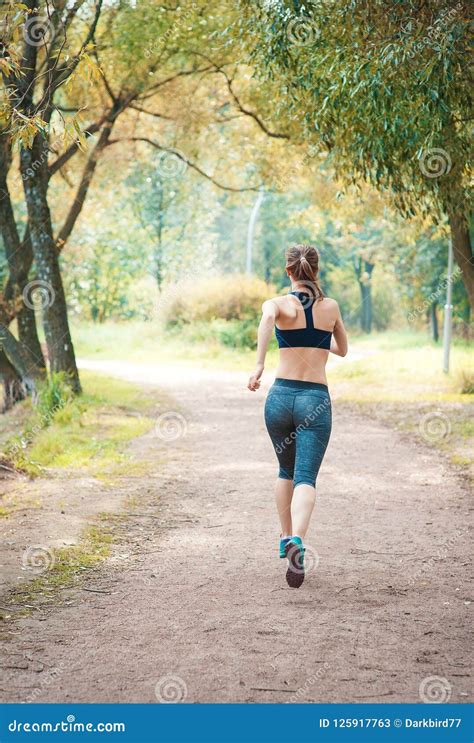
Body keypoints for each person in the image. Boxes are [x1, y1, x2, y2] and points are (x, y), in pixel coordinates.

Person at [248, 244, 348, 588]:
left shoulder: (277, 305)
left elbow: (266, 320)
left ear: (288, 271)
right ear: (316, 271)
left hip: (279, 399)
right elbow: (343, 350)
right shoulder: (331, 307)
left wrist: (259, 365)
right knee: (306, 477)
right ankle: (297, 542)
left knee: (285, 471)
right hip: (314, 401)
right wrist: (320, 342)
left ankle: (285, 535)